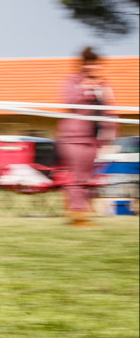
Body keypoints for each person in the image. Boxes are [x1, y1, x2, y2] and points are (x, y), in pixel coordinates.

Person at [57, 47, 116, 225]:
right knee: (76, 176)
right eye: (89, 64)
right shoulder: (73, 81)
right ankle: (77, 217)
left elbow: (109, 112)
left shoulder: (104, 85)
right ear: (83, 65)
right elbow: (68, 100)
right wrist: (86, 88)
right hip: (72, 137)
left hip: (93, 139)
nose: (93, 68)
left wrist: (109, 136)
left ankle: (78, 214)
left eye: (96, 64)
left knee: (86, 178)